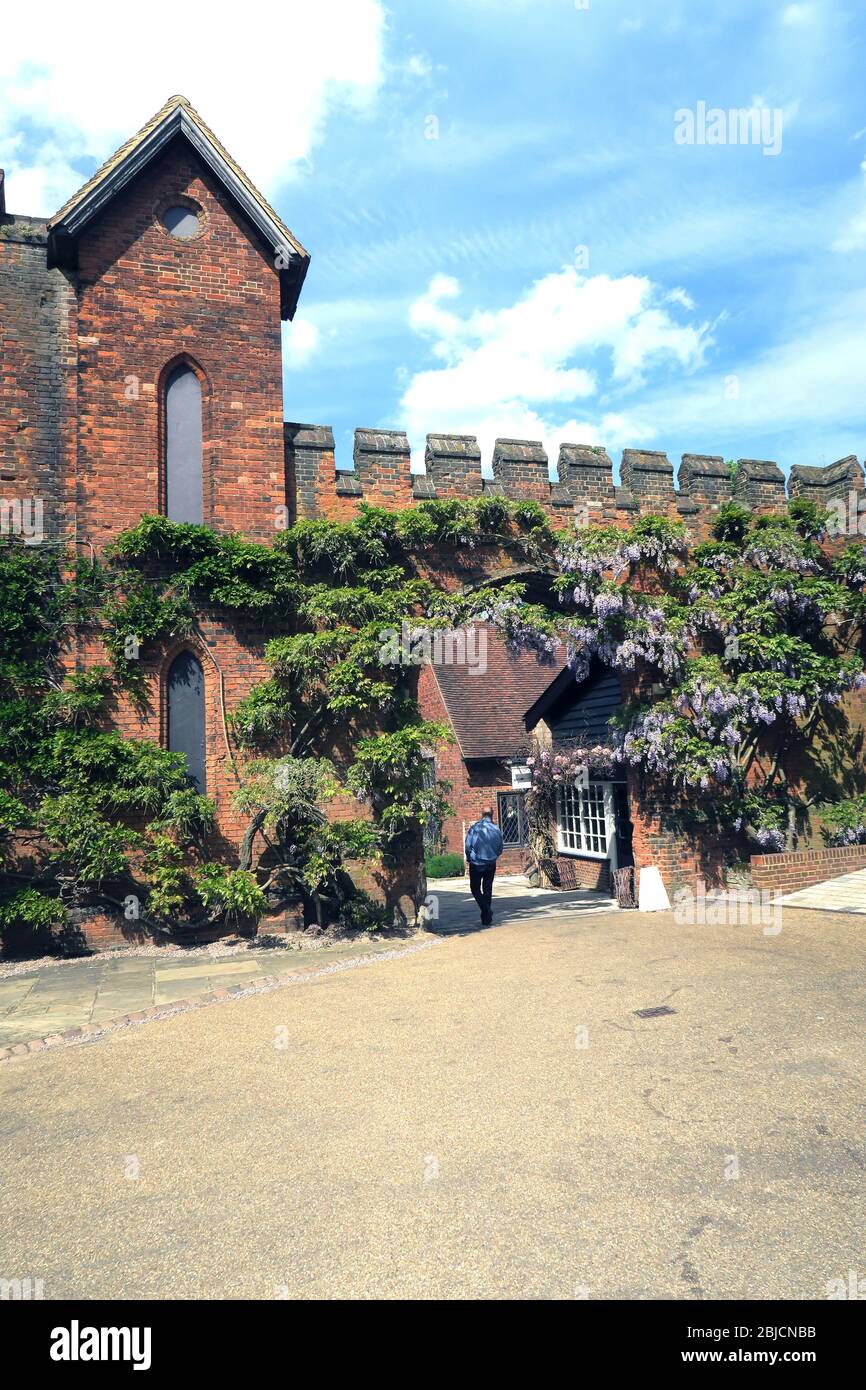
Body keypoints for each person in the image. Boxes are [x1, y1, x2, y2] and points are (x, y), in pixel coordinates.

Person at [464, 806, 504, 926]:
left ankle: (486, 910)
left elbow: (468, 845)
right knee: (487, 889)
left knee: (475, 888)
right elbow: (500, 848)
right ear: (492, 815)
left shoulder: (475, 828)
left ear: (482, 815)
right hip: (490, 864)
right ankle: (486, 917)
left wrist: (469, 857)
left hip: (476, 863)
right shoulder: (497, 830)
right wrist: (493, 856)